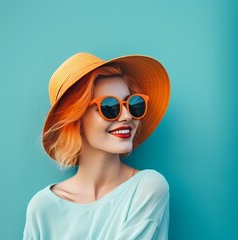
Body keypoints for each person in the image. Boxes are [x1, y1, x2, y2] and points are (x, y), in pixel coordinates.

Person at [23, 53, 171, 240]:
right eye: (109, 106)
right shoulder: (42, 207)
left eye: (133, 104)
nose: (127, 116)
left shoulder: (148, 187)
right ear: (76, 119)